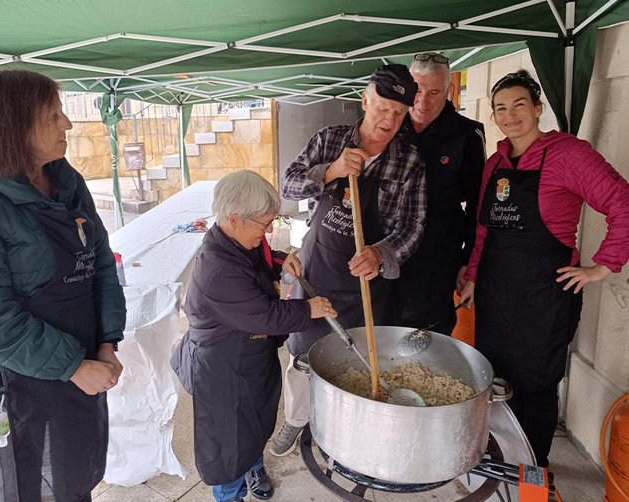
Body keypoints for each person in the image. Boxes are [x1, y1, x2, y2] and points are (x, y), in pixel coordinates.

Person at [0, 70, 126, 502]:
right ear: (14, 127)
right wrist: (73, 367)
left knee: (75, 476)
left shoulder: (68, 183)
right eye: (53, 115)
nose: (68, 124)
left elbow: (101, 266)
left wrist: (106, 344)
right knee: (32, 487)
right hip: (19, 382)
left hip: (83, 362)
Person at [459, 69, 629, 467]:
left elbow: (623, 202)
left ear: (537, 109)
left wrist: (602, 266)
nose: (510, 114)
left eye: (519, 104)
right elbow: (484, 229)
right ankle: (497, 458)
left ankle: (533, 470)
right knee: (494, 378)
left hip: (544, 297)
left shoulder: (569, 154)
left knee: (536, 385)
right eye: (501, 108)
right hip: (495, 292)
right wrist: (471, 275)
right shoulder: (495, 162)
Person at [271, 64, 426, 457]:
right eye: (383, 108)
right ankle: (296, 420)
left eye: (399, 113)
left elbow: (413, 225)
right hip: (316, 273)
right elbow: (286, 185)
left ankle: (346, 431)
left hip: (365, 286)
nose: (389, 120)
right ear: (365, 100)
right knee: (303, 358)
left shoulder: (408, 162)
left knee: (359, 358)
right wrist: (333, 170)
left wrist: (381, 253)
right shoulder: (330, 140)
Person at [170, 170, 336, 502]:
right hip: (223, 372)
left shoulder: (237, 239)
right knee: (228, 443)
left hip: (249, 362)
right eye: (264, 224)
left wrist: (279, 260)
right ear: (233, 219)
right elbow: (266, 315)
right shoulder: (217, 270)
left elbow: (257, 263)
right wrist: (310, 309)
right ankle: (230, 494)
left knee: (255, 426)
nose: (269, 230)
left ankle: (254, 465)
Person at [394, 52, 486, 335]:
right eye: (418, 90)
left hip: (437, 255)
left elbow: (478, 206)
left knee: (429, 337)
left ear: (449, 90)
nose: (423, 101)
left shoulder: (467, 135)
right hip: (388, 249)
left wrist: (467, 262)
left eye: (434, 91)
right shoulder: (391, 125)